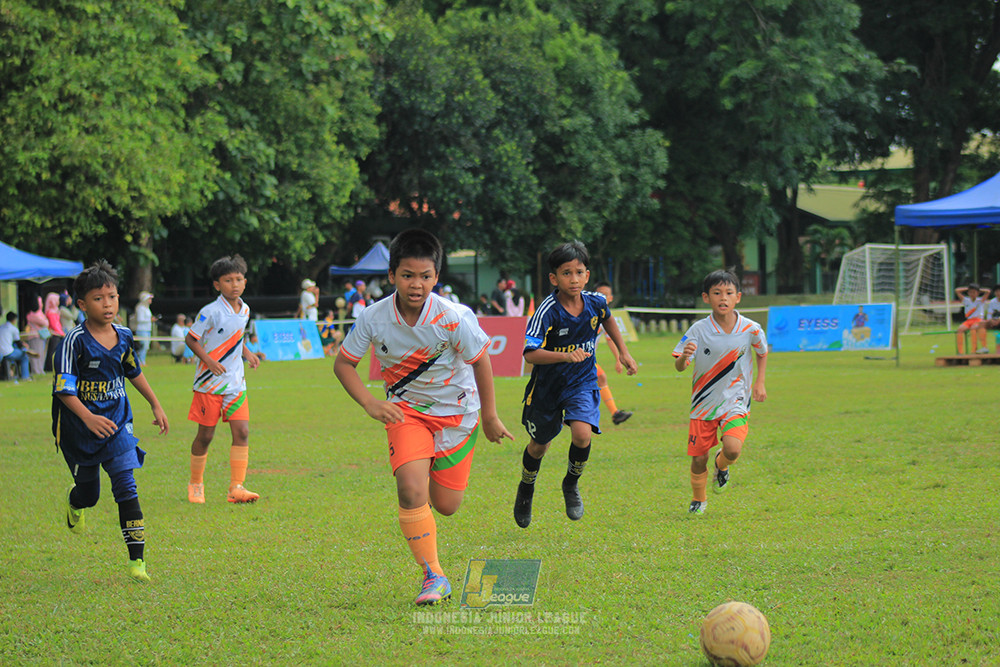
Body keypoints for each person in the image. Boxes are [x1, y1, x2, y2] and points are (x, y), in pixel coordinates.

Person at [334, 228, 513, 606]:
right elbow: (344, 364)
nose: (417, 285)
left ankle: (428, 492)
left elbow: (481, 359)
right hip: (406, 413)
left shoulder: (451, 317)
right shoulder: (373, 317)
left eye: (426, 276)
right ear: (391, 276)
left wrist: (491, 416)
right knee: (410, 489)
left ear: (437, 276)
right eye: (408, 275)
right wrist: (369, 402)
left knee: (446, 505)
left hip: (457, 416)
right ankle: (434, 576)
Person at [52, 260, 169, 582]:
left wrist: (155, 404)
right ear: (81, 304)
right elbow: (63, 389)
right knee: (89, 495)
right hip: (80, 428)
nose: (107, 304)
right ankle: (75, 501)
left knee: (126, 486)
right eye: (98, 298)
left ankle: (137, 563)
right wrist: (88, 417)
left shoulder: (125, 335)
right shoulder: (73, 341)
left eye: (113, 297)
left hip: (117, 421)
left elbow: (133, 371)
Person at [512, 241, 637, 529]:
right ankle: (526, 488)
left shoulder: (596, 301)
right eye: (566, 273)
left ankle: (571, 484)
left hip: (582, 382)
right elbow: (530, 354)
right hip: (547, 388)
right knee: (539, 446)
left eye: (579, 272)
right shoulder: (547, 311)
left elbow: (608, 320)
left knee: (582, 435)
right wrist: (563, 356)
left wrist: (624, 352)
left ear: (587, 275)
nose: (574, 279)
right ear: (554, 278)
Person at [673, 269, 767, 516]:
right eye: (716, 293)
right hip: (703, 404)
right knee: (698, 459)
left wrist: (760, 383)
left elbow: (762, 352)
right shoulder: (698, 330)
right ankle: (699, 499)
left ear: (738, 297)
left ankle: (722, 464)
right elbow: (680, 366)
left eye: (728, 293)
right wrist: (684, 357)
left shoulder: (751, 328)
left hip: (736, 400)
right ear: (706, 298)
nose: (722, 298)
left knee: (733, 448)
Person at [185, 254, 261, 504]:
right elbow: (191, 339)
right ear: (217, 285)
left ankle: (236, 488)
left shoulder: (246, 309)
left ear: (245, 282)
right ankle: (196, 483)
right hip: (209, 385)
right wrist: (207, 361)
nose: (235, 284)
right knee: (206, 436)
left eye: (239, 279)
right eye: (228, 280)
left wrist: (248, 354)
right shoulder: (210, 312)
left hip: (236, 385)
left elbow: (236, 340)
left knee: (242, 432)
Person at [594, 282, 633, 425]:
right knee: (600, 378)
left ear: (610, 298)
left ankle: (615, 413)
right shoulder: (589, 312)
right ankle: (615, 414)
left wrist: (618, 359)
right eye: (599, 294)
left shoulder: (605, 316)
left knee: (599, 379)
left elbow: (611, 340)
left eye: (605, 295)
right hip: (575, 356)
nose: (602, 297)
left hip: (587, 359)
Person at [955, 283, 990, 354]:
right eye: (970, 292)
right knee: (960, 329)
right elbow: (957, 290)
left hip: (978, 320)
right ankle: (960, 352)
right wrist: (968, 288)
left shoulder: (980, 300)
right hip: (969, 320)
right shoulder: (966, 300)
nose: (972, 294)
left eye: (974, 292)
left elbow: (988, 291)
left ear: (978, 293)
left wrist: (978, 289)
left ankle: (974, 350)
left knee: (973, 328)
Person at [0, 311, 31, 381]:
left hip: (1, 353)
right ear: (14, 320)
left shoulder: (1, 327)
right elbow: (18, 343)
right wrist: (24, 346)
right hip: (8, 352)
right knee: (24, 356)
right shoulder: (14, 329)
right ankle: (25, 376)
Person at [25, 296, 49, 375]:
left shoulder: (39, 313)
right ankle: (36, 371)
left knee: (41, 353)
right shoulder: (32, 315)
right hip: (34, 336)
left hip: (40, 336)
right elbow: (45, 323)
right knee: (35, 354)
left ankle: (40, 369)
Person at [133, 291, 155, 366]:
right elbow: (140, 319)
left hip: (147, 329)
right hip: (142, 330)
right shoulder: (140, 308)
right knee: (143, 346)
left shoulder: (147, 308)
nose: (150, 300)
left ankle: (142, 361)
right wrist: (150, 320)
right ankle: (140, 361)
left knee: (146, 346)